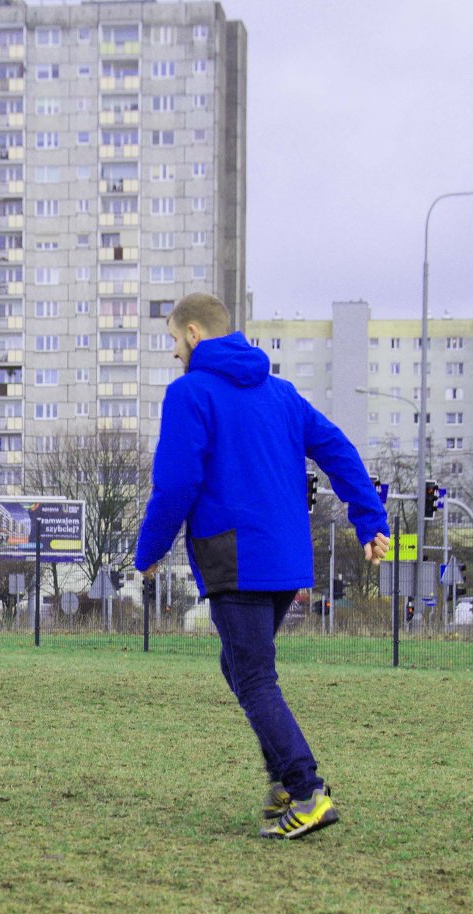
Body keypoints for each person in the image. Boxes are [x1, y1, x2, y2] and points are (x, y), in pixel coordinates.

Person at [134, 293, 392, 840]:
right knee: (240, 667)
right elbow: (338, 449)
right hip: (285, 561)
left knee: (252, 676)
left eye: (175, 340)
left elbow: (176, 484)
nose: (175, 352)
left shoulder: (189, 393)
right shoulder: (282, 394)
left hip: (234, 557)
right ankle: (282, 785)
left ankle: (306, 790)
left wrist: (149, 551)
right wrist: (370, 522)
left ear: (195, 334)